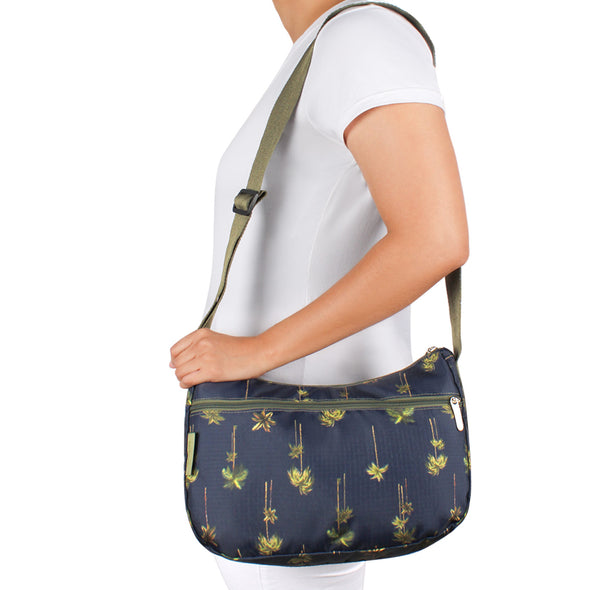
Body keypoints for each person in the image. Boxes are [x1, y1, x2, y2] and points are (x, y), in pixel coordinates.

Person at [169, 0, 469, 588]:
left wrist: (255, 352)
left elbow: (435, 238)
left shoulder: (362, 37)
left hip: (304, 445)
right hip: (266, 438)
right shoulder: (323, 46)